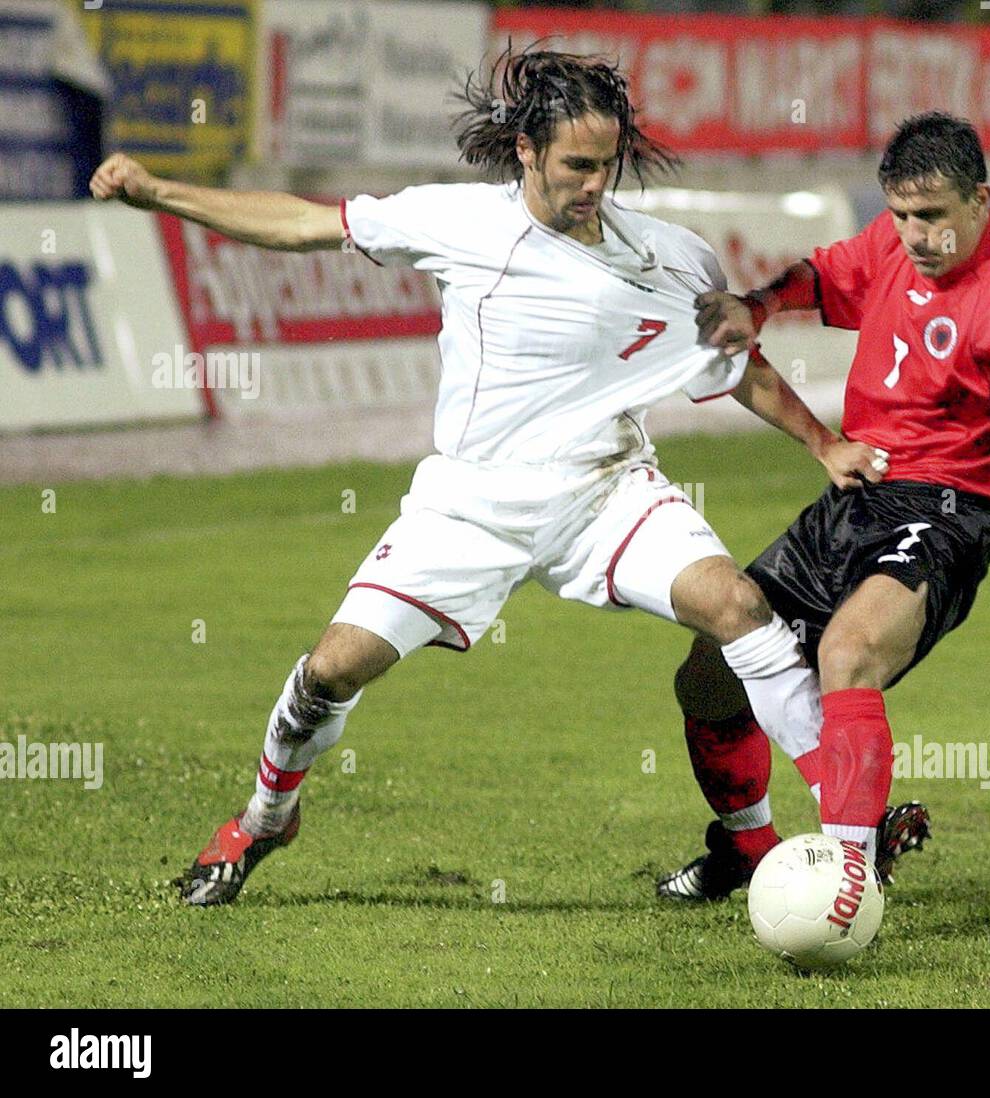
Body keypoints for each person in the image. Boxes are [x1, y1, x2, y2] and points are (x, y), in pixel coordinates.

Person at [89, 46, 889, 906]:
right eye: (576, 165)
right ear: (526, 152)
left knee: (738, 608)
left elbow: (740, 364)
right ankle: (264, 815)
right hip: (469, 506)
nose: (594, 184)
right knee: (329, 673)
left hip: (606, 490)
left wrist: (824, 443)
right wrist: (159, 194)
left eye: (606, 165)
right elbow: (301, 224)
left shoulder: (671, 256)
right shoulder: (456, 223)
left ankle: (841, 836)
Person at [658, 112, 990, 901]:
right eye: (899, 214)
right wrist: (755, 307)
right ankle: (749, 848)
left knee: (847, 655)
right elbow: (822, 276)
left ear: (980, 201)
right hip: (856, 492)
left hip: (948, 511)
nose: (914, 235)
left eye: (932, 217)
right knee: (710, 675)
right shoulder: (892, 244)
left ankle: (847, 884)